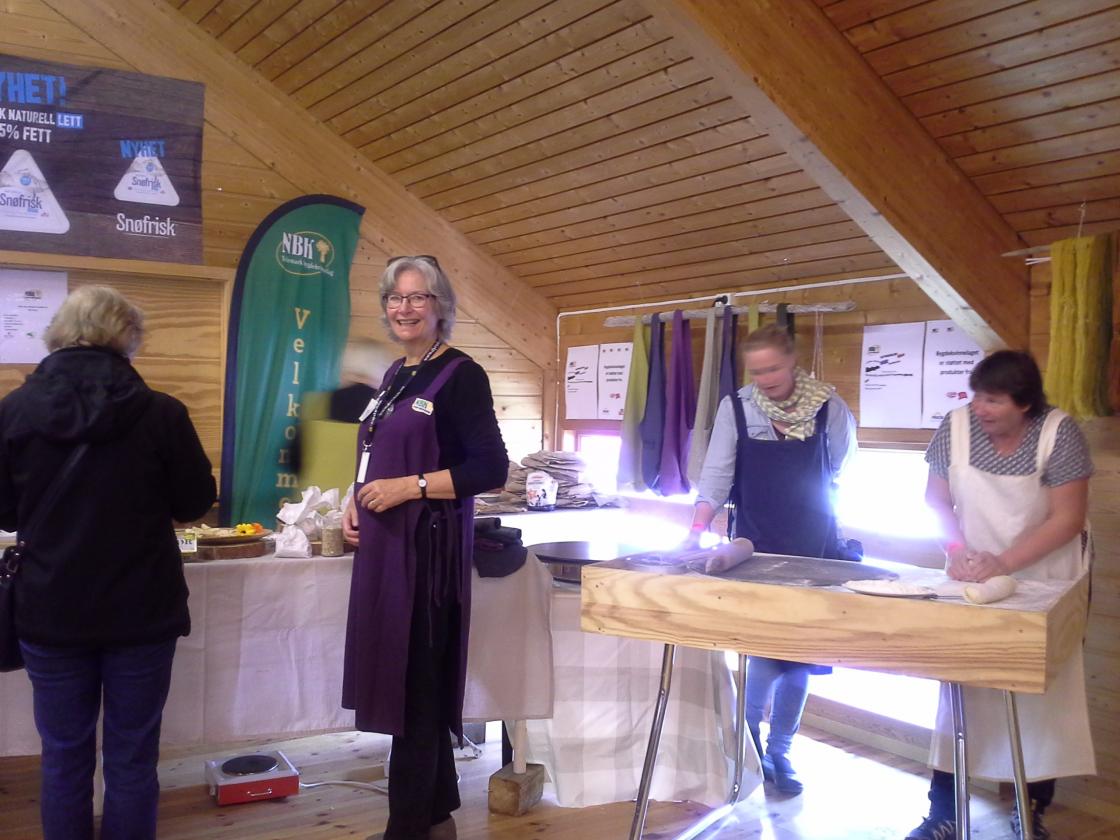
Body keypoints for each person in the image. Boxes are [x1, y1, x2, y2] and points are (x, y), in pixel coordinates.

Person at [0, 285, 217, 840]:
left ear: (58, 332)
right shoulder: (162, 413)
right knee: (132, 756)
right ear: (127, 337)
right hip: (141, 609)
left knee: (62, 755)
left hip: (50, 607)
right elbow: (194, 502)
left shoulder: (14, 411)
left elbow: (3, 510)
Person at [341, 255, 508, 840]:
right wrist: (355, 497)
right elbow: (374, 452)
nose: (404, 308)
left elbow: (490, 468)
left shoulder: (461, 375)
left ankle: (406, 827)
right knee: (404, 681)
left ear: (441, 307)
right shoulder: (396, 373)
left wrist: (408, 487)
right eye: (395, 298)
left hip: (426, 556)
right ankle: (436, 814)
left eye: (418, 297)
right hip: (386, 550)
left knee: (413, 690)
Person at [905, 350, 1094, 840]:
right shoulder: (955, 427)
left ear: (1024, 403)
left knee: (1040, 698)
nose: (981, 408)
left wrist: (1004, 563)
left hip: (1045, 580)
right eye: (977, 397)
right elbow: (935, 500)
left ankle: (1029, 810)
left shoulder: (1059, 433)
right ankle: (944, 812)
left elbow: (1068, 518)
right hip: (970, 578)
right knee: (960, 693)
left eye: (994, 400)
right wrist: (956, 550)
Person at [688, 323, 856, 795]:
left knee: (800, 659)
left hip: (814, 549)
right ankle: (749, 745)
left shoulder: (829, 407)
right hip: (754, 548)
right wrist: (696, 530)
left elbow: (840, 468)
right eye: (757, 371)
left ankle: (781, 751)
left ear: (792, 362)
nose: (765, 379)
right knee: (761, 650)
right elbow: (716, 477)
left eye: (773, 369)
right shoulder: (736, 408)